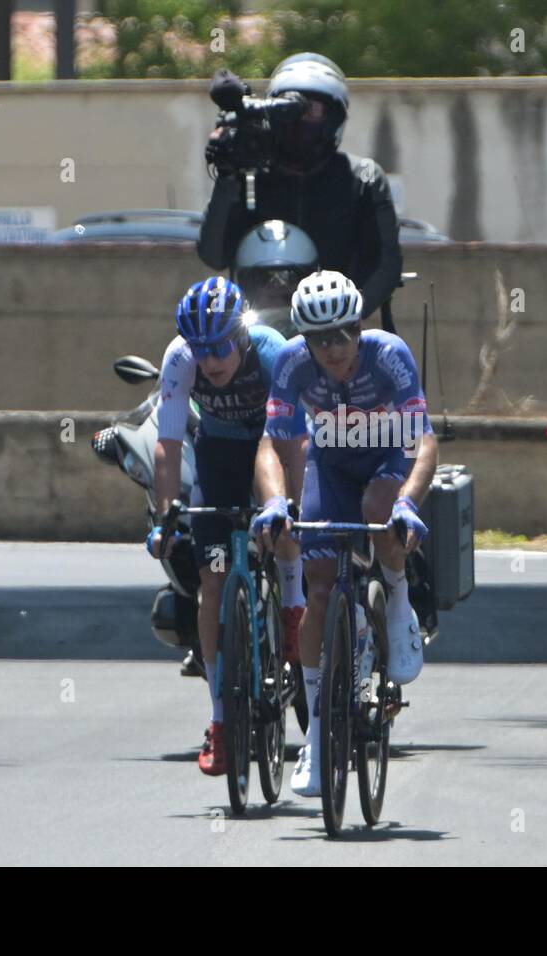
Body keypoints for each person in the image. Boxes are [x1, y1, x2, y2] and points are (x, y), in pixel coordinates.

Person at [251, 270, 437, 797]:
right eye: (318, 339)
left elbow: (423, 439)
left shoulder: (389, 355)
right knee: (318, 588)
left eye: (340, 334)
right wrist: (273, 503)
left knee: (380, 509)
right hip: (330, 463)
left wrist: (408, 501)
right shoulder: (291, 363)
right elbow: (274, 442)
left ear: (358, 326)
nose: (331, 349)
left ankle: (398, 605)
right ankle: (315, 740)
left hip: (387, 453)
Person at [147, 277, 305, 776]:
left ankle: (294, 605)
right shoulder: (180, 360)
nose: (210, 361)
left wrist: (294, 508)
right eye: (201, 350)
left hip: (272, 448)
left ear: (238, 339)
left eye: (218, 348)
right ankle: (219, 721)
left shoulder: (273, 352)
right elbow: (168, 445)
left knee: (283, 535)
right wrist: (168, 513)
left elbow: (294, 442)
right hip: (218, 457)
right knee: (212, 580)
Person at [197, 54, 403, 326]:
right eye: (290, 109)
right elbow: (214, 255)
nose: (299, 121)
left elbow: (386, 266)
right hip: (260, 333)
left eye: (311, 110)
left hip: (337, 340)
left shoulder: (362, 178)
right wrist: (226, 176)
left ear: (334, 117)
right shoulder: (251, 175)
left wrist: (341, 319)